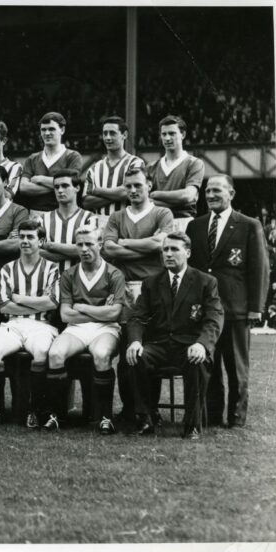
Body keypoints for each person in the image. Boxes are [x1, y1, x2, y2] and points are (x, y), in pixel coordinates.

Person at [186, 174, 269, 427]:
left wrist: (256, 308)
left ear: (231, 194)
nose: (211, 195)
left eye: (217, 191)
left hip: (236, 308)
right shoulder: (195, 226)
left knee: (236, 368)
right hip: (206, 311)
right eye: (208, 191)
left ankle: (235, 418)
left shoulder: (248, 224)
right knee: (208, 366)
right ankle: (212, 416)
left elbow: (260, 268)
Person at [126, 232, 224, 440]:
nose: (168, 254)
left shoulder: (206, 282)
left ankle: (192, 425)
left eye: (174, 249)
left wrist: (202, 344)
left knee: (196, 359)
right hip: (160, 345)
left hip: (189, 345)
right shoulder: (151, 283)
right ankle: (145, 419)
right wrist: (135, 341)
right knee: (137, 357)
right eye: (165, 249)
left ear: (187, 252)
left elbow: (214, 318)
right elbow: (137, 317)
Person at [102, 166, 174, 419]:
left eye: (138, 185)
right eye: (128, 185)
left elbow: (160, 244)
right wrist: (144, 247)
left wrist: (124, 242)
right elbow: (109, 250)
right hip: (124, 289)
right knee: (125, 353)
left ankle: (150, 409)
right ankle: (129, 408)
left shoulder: (162, 213)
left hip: (153, 289)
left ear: (149, 186)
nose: (132, 190)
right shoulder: (117, 217)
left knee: (147, 350)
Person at [47, 224, 126, 435]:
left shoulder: (114, 274)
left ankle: (104, 417)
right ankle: (57, 415)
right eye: (80, 244)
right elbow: (65, 315)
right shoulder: (69, 275)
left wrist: (80, 306)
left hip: (106, 328)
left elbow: (114, 314)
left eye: (89, 244)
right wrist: (100, 309)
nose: (84, 249)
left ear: (100, 244)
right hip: (76, 328)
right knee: (55, 354)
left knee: (101, 355)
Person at [0, 220, 60, 429]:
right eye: (22, 237)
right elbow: (5, 307)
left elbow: (52, 302)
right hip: (13, 325)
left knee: (42, 352)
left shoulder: (52, 268)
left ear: (41, 241)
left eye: (30, 237)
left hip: (42, 325)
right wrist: (36, 303)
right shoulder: (7, 268)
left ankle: (34, 410)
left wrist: (19, 298)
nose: (25, 241)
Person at [81, 116, 145, 221]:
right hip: (100, 225)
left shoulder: (135, 163)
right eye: (105, 133)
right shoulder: (94, 168)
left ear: (124, 135)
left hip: (128, 222)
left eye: (112, 133)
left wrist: (96, 190)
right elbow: (86, 202)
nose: (108, 138)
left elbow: (128, 192)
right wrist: (118, 195)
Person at [17, 112, 83, 213]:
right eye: (43, 129)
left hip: (64, 214)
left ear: (62, 130)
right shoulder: (32, 158)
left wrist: (40, 179)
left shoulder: (73, 156)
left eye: (51, 129)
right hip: (36, 214)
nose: (47, 133)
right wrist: (60, 185)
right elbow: (23, 187)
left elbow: (71, 184)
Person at [39, 169, 97, 272]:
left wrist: (51, 246)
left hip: (79, 281)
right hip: (48, 281)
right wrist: (73, 252)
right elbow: (34, 251)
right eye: (56, 187)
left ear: (77, 188)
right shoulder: (42, 219)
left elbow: (89, 250)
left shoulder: (89, 218)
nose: (60, 190)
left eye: (65, 186)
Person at [148, 115, 204, 220]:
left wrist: (155, 194)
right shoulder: (151, 166)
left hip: (183, 222)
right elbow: (144, 201)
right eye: (164, 134)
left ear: (183, 134)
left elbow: (187, 196)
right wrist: (178, 202)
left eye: (172, 133)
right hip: (156, 223)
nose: (167, 138)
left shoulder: (194, 163)